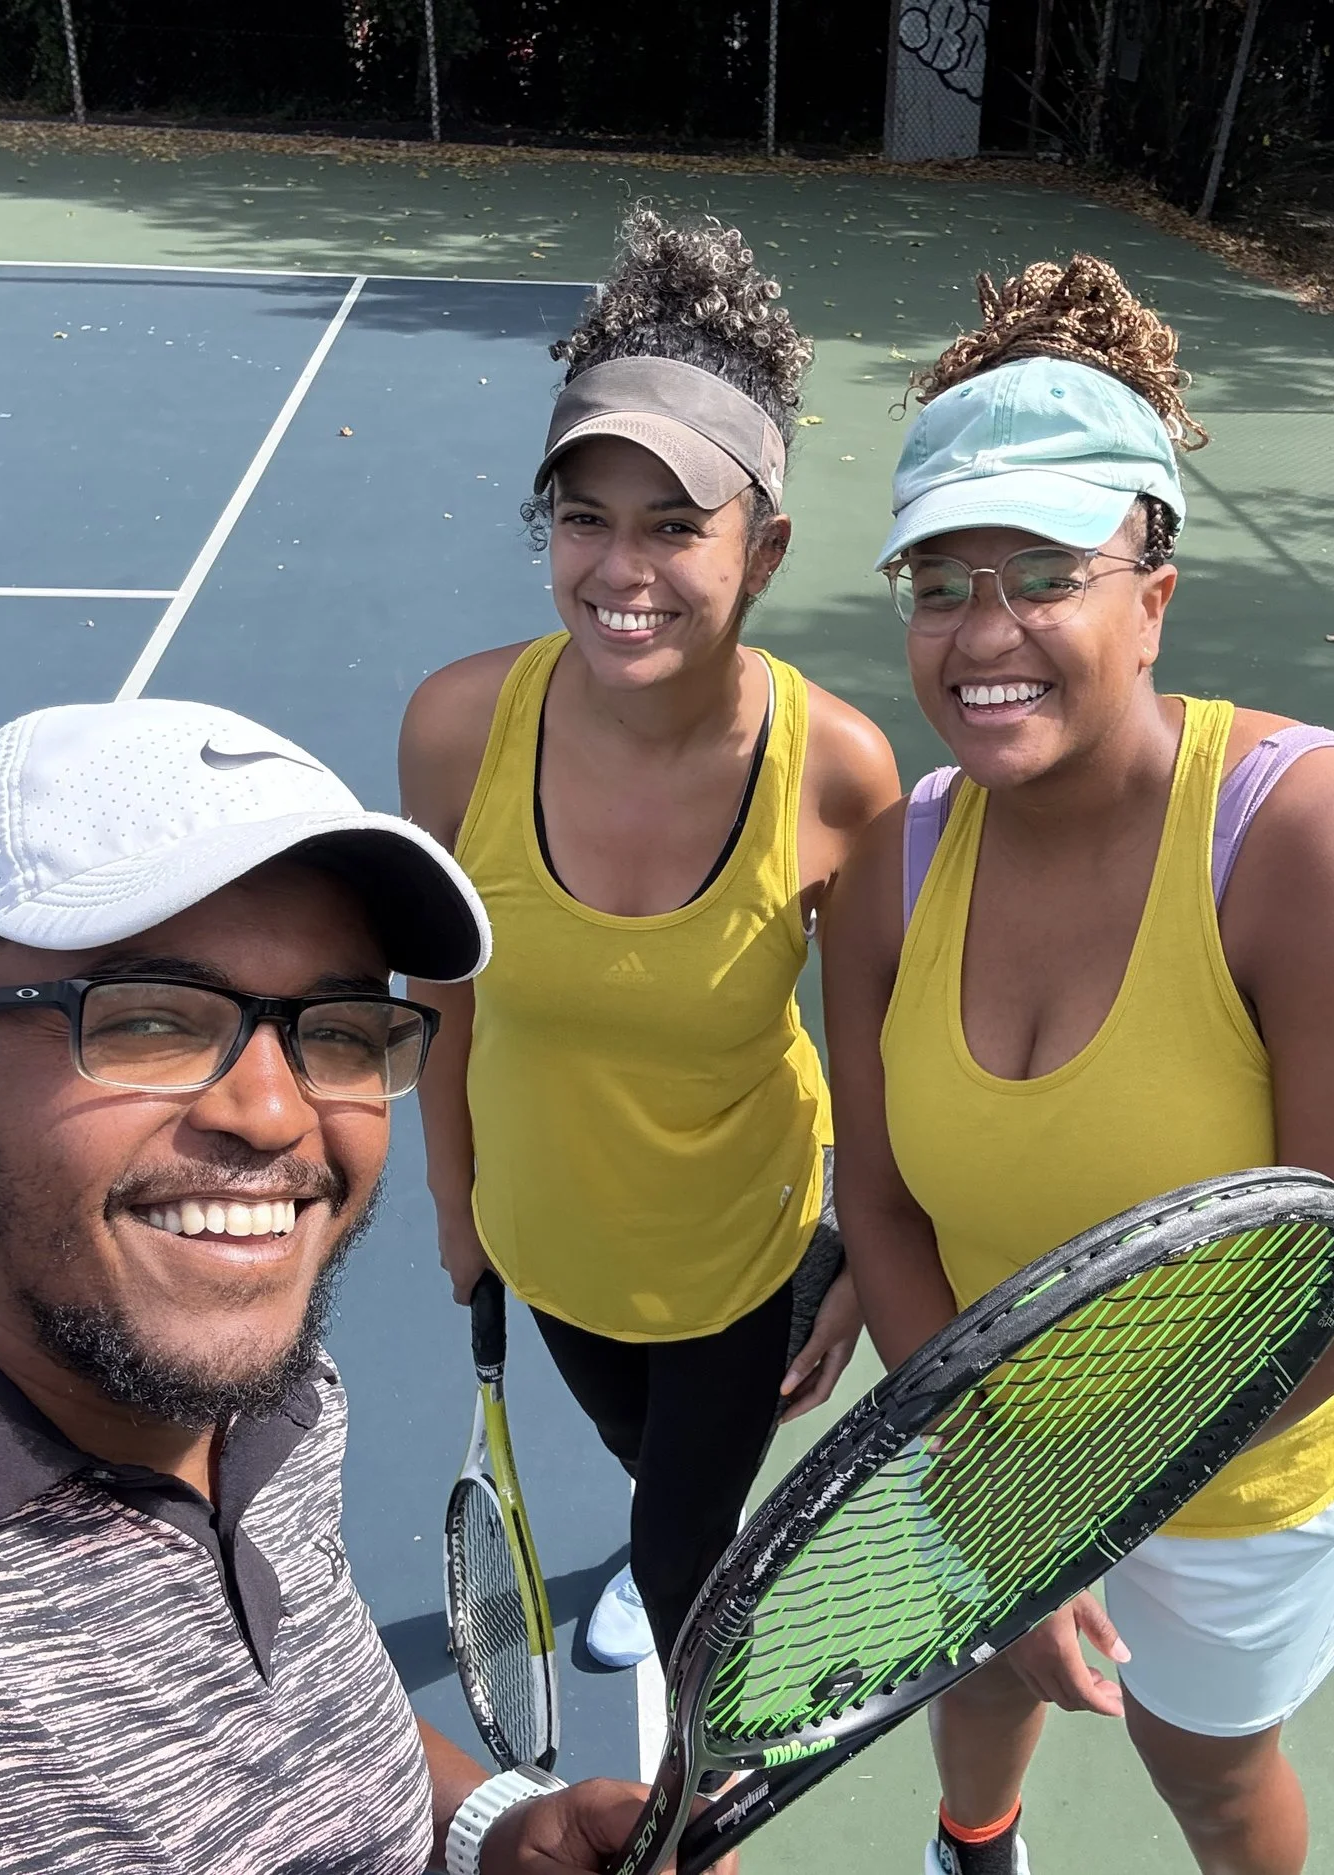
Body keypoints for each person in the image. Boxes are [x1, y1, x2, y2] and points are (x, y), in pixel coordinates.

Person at [0, 699, 670, 1875]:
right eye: (150, 1019)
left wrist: (487, 1828)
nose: (272, 1112)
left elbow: (279, 1709)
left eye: (341, 1027)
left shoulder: (256, 1378)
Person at [821, 257, 1334, 1875]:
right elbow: (886, 1210)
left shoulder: (1332, 851)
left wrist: (1074, 1523)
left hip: (1249, 1465)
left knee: (1205, 1765)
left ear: (1155, 589)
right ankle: (975, 1846)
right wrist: (984, 1479)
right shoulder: (886, 872)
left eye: (1044, 572)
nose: (984, 634)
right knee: (972, 1678)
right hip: (990, 1438)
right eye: (938, 584)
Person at [400, 209, 899, 1669]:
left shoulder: (838, 773)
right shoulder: (454, 727)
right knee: (645, 1465)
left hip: (744, 1254)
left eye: (677, 525)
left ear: (768, 548)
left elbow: (875, 1054)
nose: (622, 569)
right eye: (585, 517)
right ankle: (665, 1515)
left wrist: (865, 1247)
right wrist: (453, 1199)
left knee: (693, 1580)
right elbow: (440, 990)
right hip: (544, 1238)